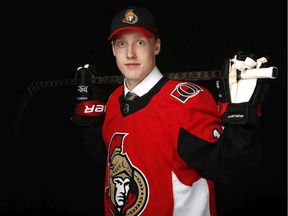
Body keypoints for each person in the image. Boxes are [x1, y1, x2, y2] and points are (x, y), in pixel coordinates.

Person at [71, 6, 275, 216]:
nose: (130, 53)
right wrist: (89, 122)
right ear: (113, 50)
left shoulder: (186, 103)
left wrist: (241, 122)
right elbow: (113, 160)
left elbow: (230, 166)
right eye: (122, 44)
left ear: (156, 46)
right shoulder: (114, 100)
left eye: (140, 42)